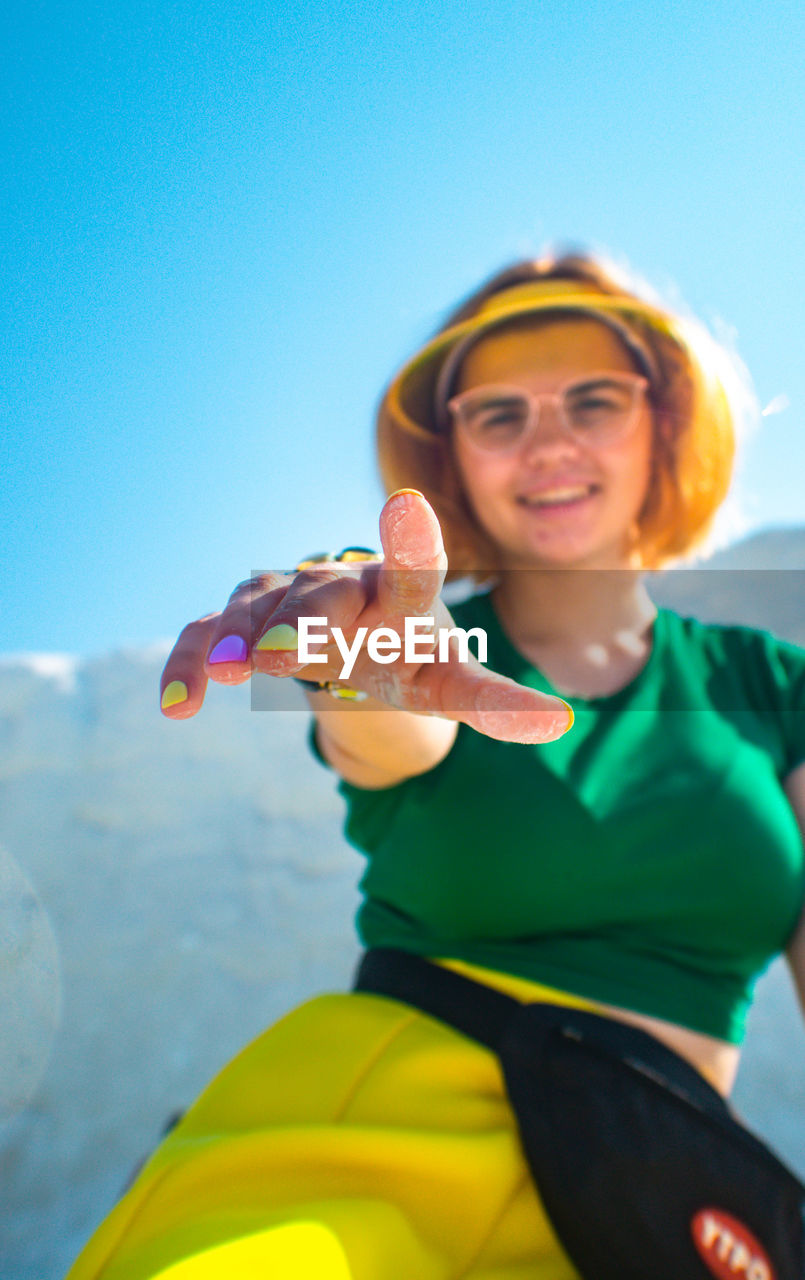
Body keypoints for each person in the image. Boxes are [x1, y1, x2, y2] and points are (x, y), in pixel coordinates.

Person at [66, 253, 805, 1280]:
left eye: (593, 398)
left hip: (655, 1206)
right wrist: (360, 674)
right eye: (498, 413)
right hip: (357, 1148)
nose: (546, 440)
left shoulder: (776, 687)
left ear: (664, 424)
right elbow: (388, 730)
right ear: (451, 455)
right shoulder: (425, 646)